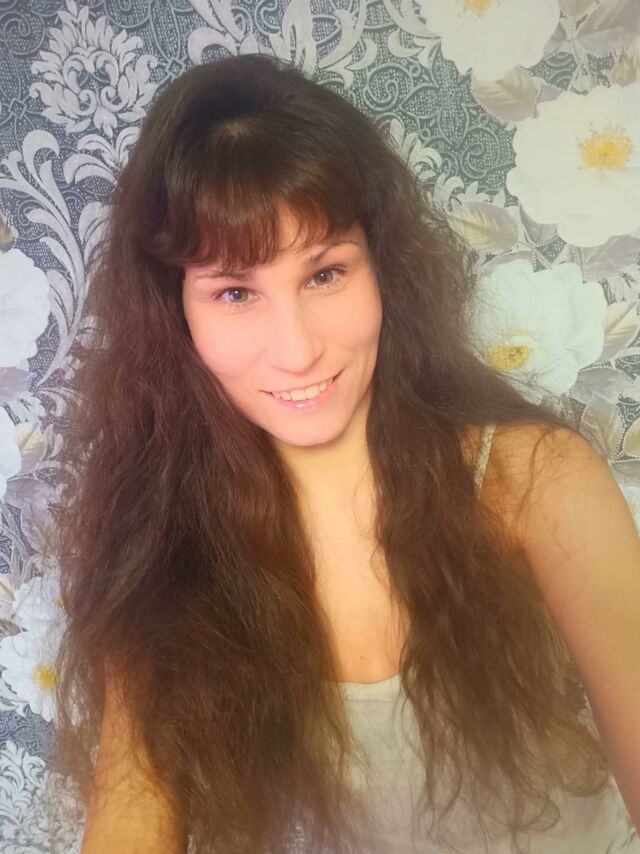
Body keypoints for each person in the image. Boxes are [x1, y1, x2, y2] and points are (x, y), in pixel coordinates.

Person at [43, 53, 640, 854]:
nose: (296, 352)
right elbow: (129, 813)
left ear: (381, 268)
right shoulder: (164, 544)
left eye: (325, 274)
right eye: (235, 292)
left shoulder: (533, 478)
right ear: (175, 311)